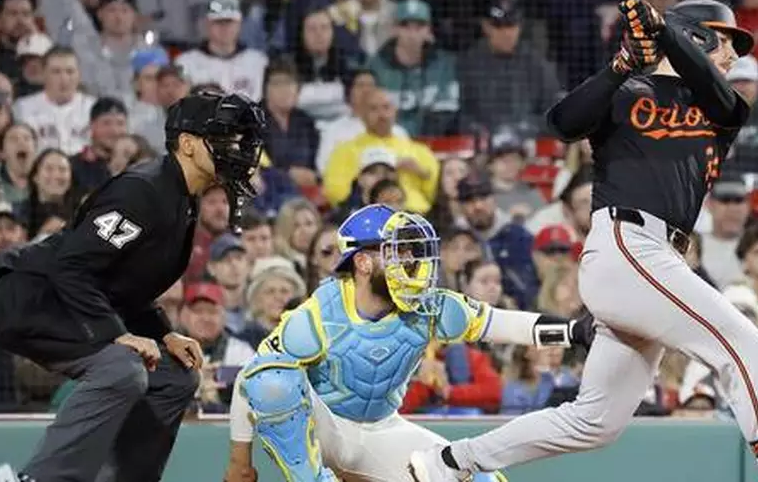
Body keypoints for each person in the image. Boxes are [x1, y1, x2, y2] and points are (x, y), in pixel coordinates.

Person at [410, 0, 758, 482]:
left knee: (594, 422)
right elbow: (561, 123)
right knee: (745, 344)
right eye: (725, 42)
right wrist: (622, 63)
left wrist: (664, 34)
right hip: (627, 245)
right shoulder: (626, 90)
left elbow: (712, 89)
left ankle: (449, 463)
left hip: (658, 259)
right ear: (699, 36)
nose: (733, 57)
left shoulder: (721, 105)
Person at [0, 90, 266, 482]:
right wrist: (116, 335)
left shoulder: (182, 198)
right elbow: (73, 266)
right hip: (27, 295)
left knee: (176, 374)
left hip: (68, 300)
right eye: (223, 138)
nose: (235, 149)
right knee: (122, 367)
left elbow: (125, 286)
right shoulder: (143, 190)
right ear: (187, 145)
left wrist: (163, 333)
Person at [222, 204, 594, 482]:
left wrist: (574, 330)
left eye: (412, 250)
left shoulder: (427, 306)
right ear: (364, 262)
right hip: (326, 428)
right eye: (397, 251)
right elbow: (253, 378)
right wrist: (240, 461)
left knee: (479, 478)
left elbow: (498, 323)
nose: (411, 260)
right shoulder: (321, 312)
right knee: (274, 380)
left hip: (381, 428)